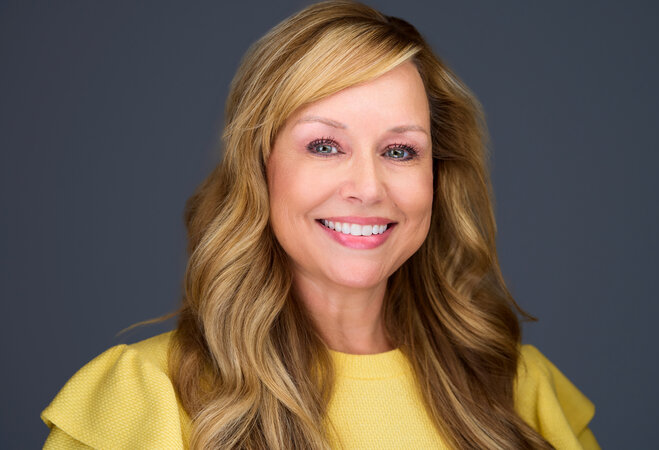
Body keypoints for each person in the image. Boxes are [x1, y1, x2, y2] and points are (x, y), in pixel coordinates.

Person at [41, 1, 599, 449]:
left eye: (400, 151)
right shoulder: (145, 399)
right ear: (260, 166)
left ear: (437, 175)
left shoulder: (523, 390)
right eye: (325, 146)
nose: (368, 187)